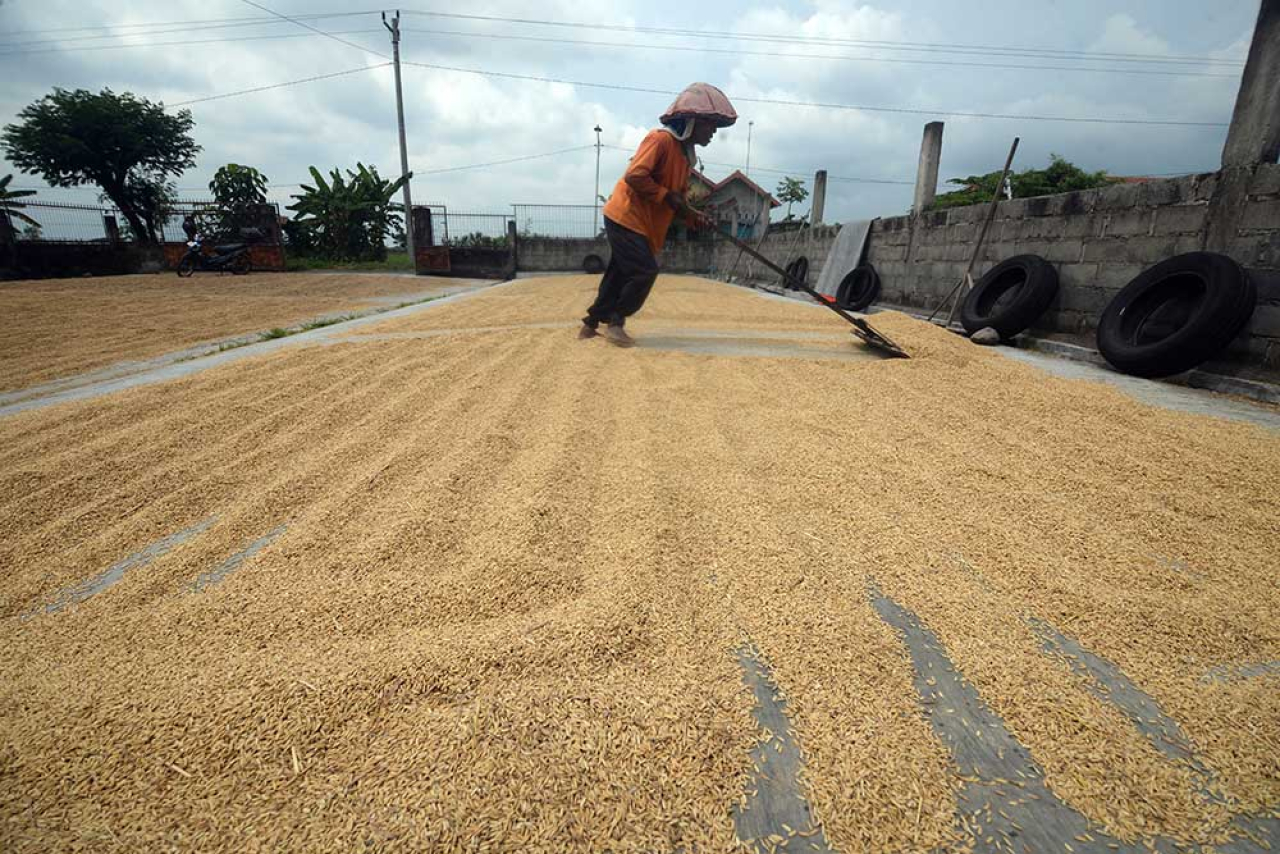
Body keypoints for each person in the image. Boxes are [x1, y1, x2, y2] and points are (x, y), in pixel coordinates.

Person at [580, 82, 737, 347]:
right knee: (644, 271)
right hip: (624, 215)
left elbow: (677, 200)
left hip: (640, 223)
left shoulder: (686, 158)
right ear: (692, 121)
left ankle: (590, 325)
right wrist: (668, 196)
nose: (713, 131)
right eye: (709, 124)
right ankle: (616, 322)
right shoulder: (660, 140)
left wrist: (694, 217)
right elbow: (635, 175)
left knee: (618, 273)